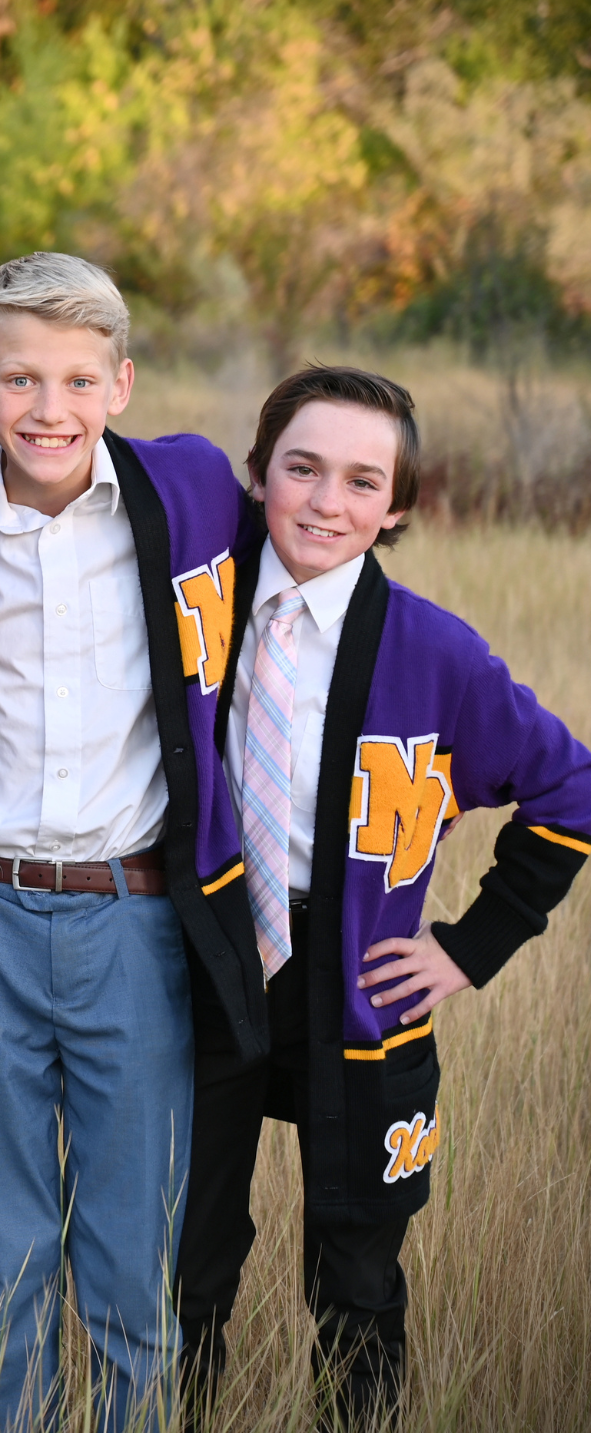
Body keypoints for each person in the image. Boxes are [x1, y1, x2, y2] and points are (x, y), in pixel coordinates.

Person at [175, 366, 591, 1428]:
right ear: (256, 471)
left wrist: (469, 945)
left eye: (362, 482)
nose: (325, 502)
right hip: (203, 966)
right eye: (301, 469)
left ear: (396, 506)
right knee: (182, 1261)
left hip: (355, 985)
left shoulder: (433, 652)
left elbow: (568, 787)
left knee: (356, 1274)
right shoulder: (193, 607)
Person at [0, 254, 265, 1432]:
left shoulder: (191, 493)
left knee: (127, 1264)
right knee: (1, 1263)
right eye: (16, 377)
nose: (45, 408)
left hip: (134, 921)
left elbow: (319, 548)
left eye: (72, 379)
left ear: (119, 382)